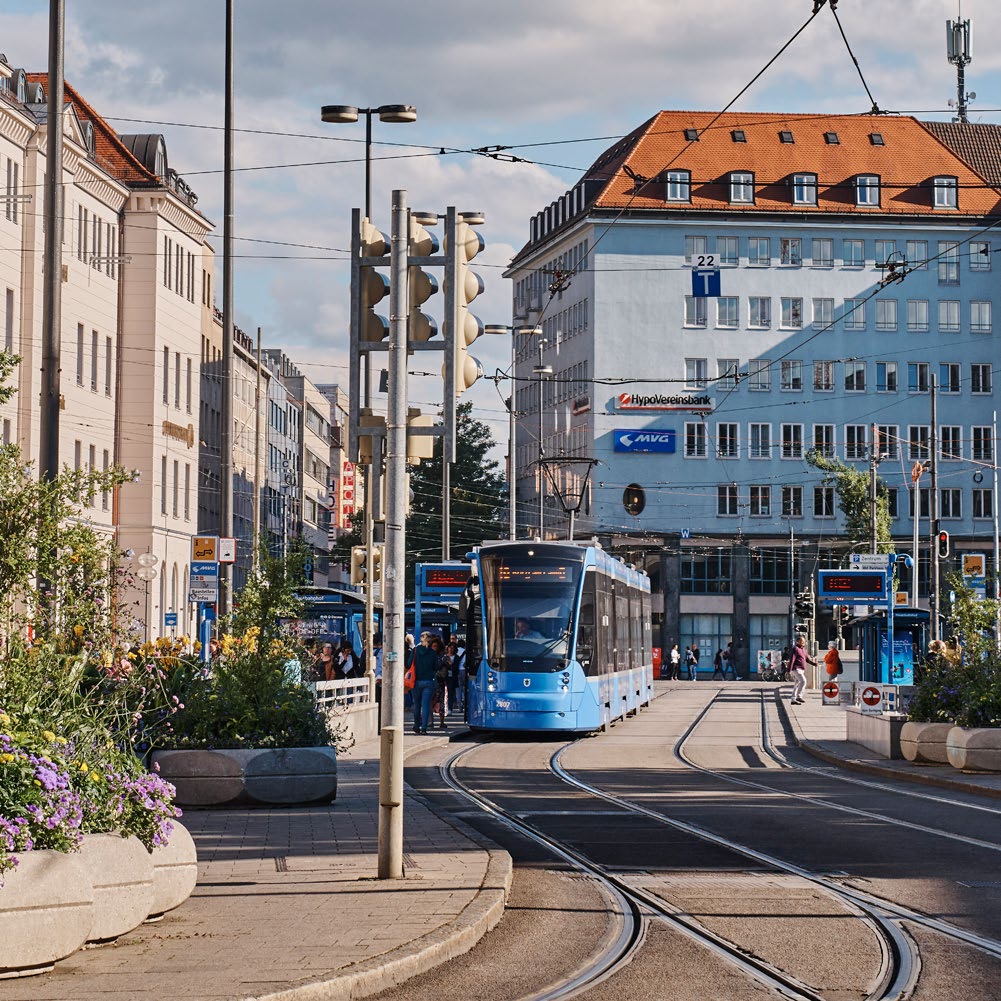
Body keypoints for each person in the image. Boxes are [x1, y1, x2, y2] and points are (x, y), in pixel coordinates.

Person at [412, 632, 439, 734]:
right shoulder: (432, 653)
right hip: (428, 681)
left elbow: (409, 663)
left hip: (416, 681)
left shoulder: (415, 651)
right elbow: (436, 667)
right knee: (426, 705)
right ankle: (424, 727)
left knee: (417, 705)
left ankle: (416, 725)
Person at [788, 636, 815, 705]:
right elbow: (792, 660)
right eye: (801, 641)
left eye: (804, 641)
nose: (803, 643)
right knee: (803, 681)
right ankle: (798, 697)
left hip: (801, 669)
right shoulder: (795, 649)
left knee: (797, 684)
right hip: (796, 668)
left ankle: (793, 699)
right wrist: (789, 670)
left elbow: (807, 659)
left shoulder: (803, 649)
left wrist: (814, 664)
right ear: (798, 642)